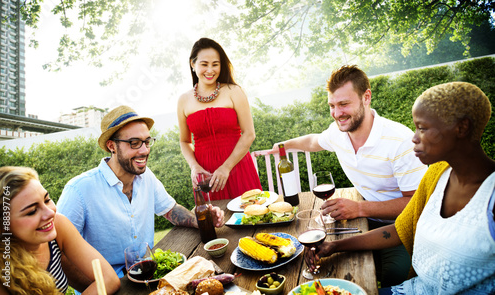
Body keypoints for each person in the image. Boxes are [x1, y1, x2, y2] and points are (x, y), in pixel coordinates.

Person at [311, 82, 495, 294]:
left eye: (422, 128)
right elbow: (400, 229)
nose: (414, 138)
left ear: (461, 128)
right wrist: (334, 247)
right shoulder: (437, 175)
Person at [273, 65, 427, 287]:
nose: (337, 113)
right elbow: (313, 141)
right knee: (315, 265)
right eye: (332, 106)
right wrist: (282, 145)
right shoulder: (338, 133)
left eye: (344, 104)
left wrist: (360, 208)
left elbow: (415, 203)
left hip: (403, 227)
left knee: (393, 278)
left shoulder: (400, 141)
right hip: (362, 222)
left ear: (366, 97)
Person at [56, 105, 225, 283]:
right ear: (111, 146)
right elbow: (61, 253)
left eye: (146, 141)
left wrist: (201, 221)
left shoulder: (146, 177)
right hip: (105, 282)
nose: (144, 150)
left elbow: (170, 210)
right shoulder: (79, 190)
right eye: (134, 143)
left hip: (149, 272)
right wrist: (99, 289)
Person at [0, 166, 120, 294]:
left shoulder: (58, 224)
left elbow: (108, 279)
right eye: (32, 211)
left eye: (47, 200)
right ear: (2, 225)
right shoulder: (0, 270)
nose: (49, 213)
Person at [177, 37, 262, 200]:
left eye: (215, 64)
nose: (210, 70)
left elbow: (249, 133)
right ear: (192, 64)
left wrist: (226, 167)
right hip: (207, 177)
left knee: (252, 217)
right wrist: (194, 167)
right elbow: (184, 141)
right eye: (204, 64)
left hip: (238, 168)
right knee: (215, 222)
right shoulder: (183, 100)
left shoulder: (234, 91)